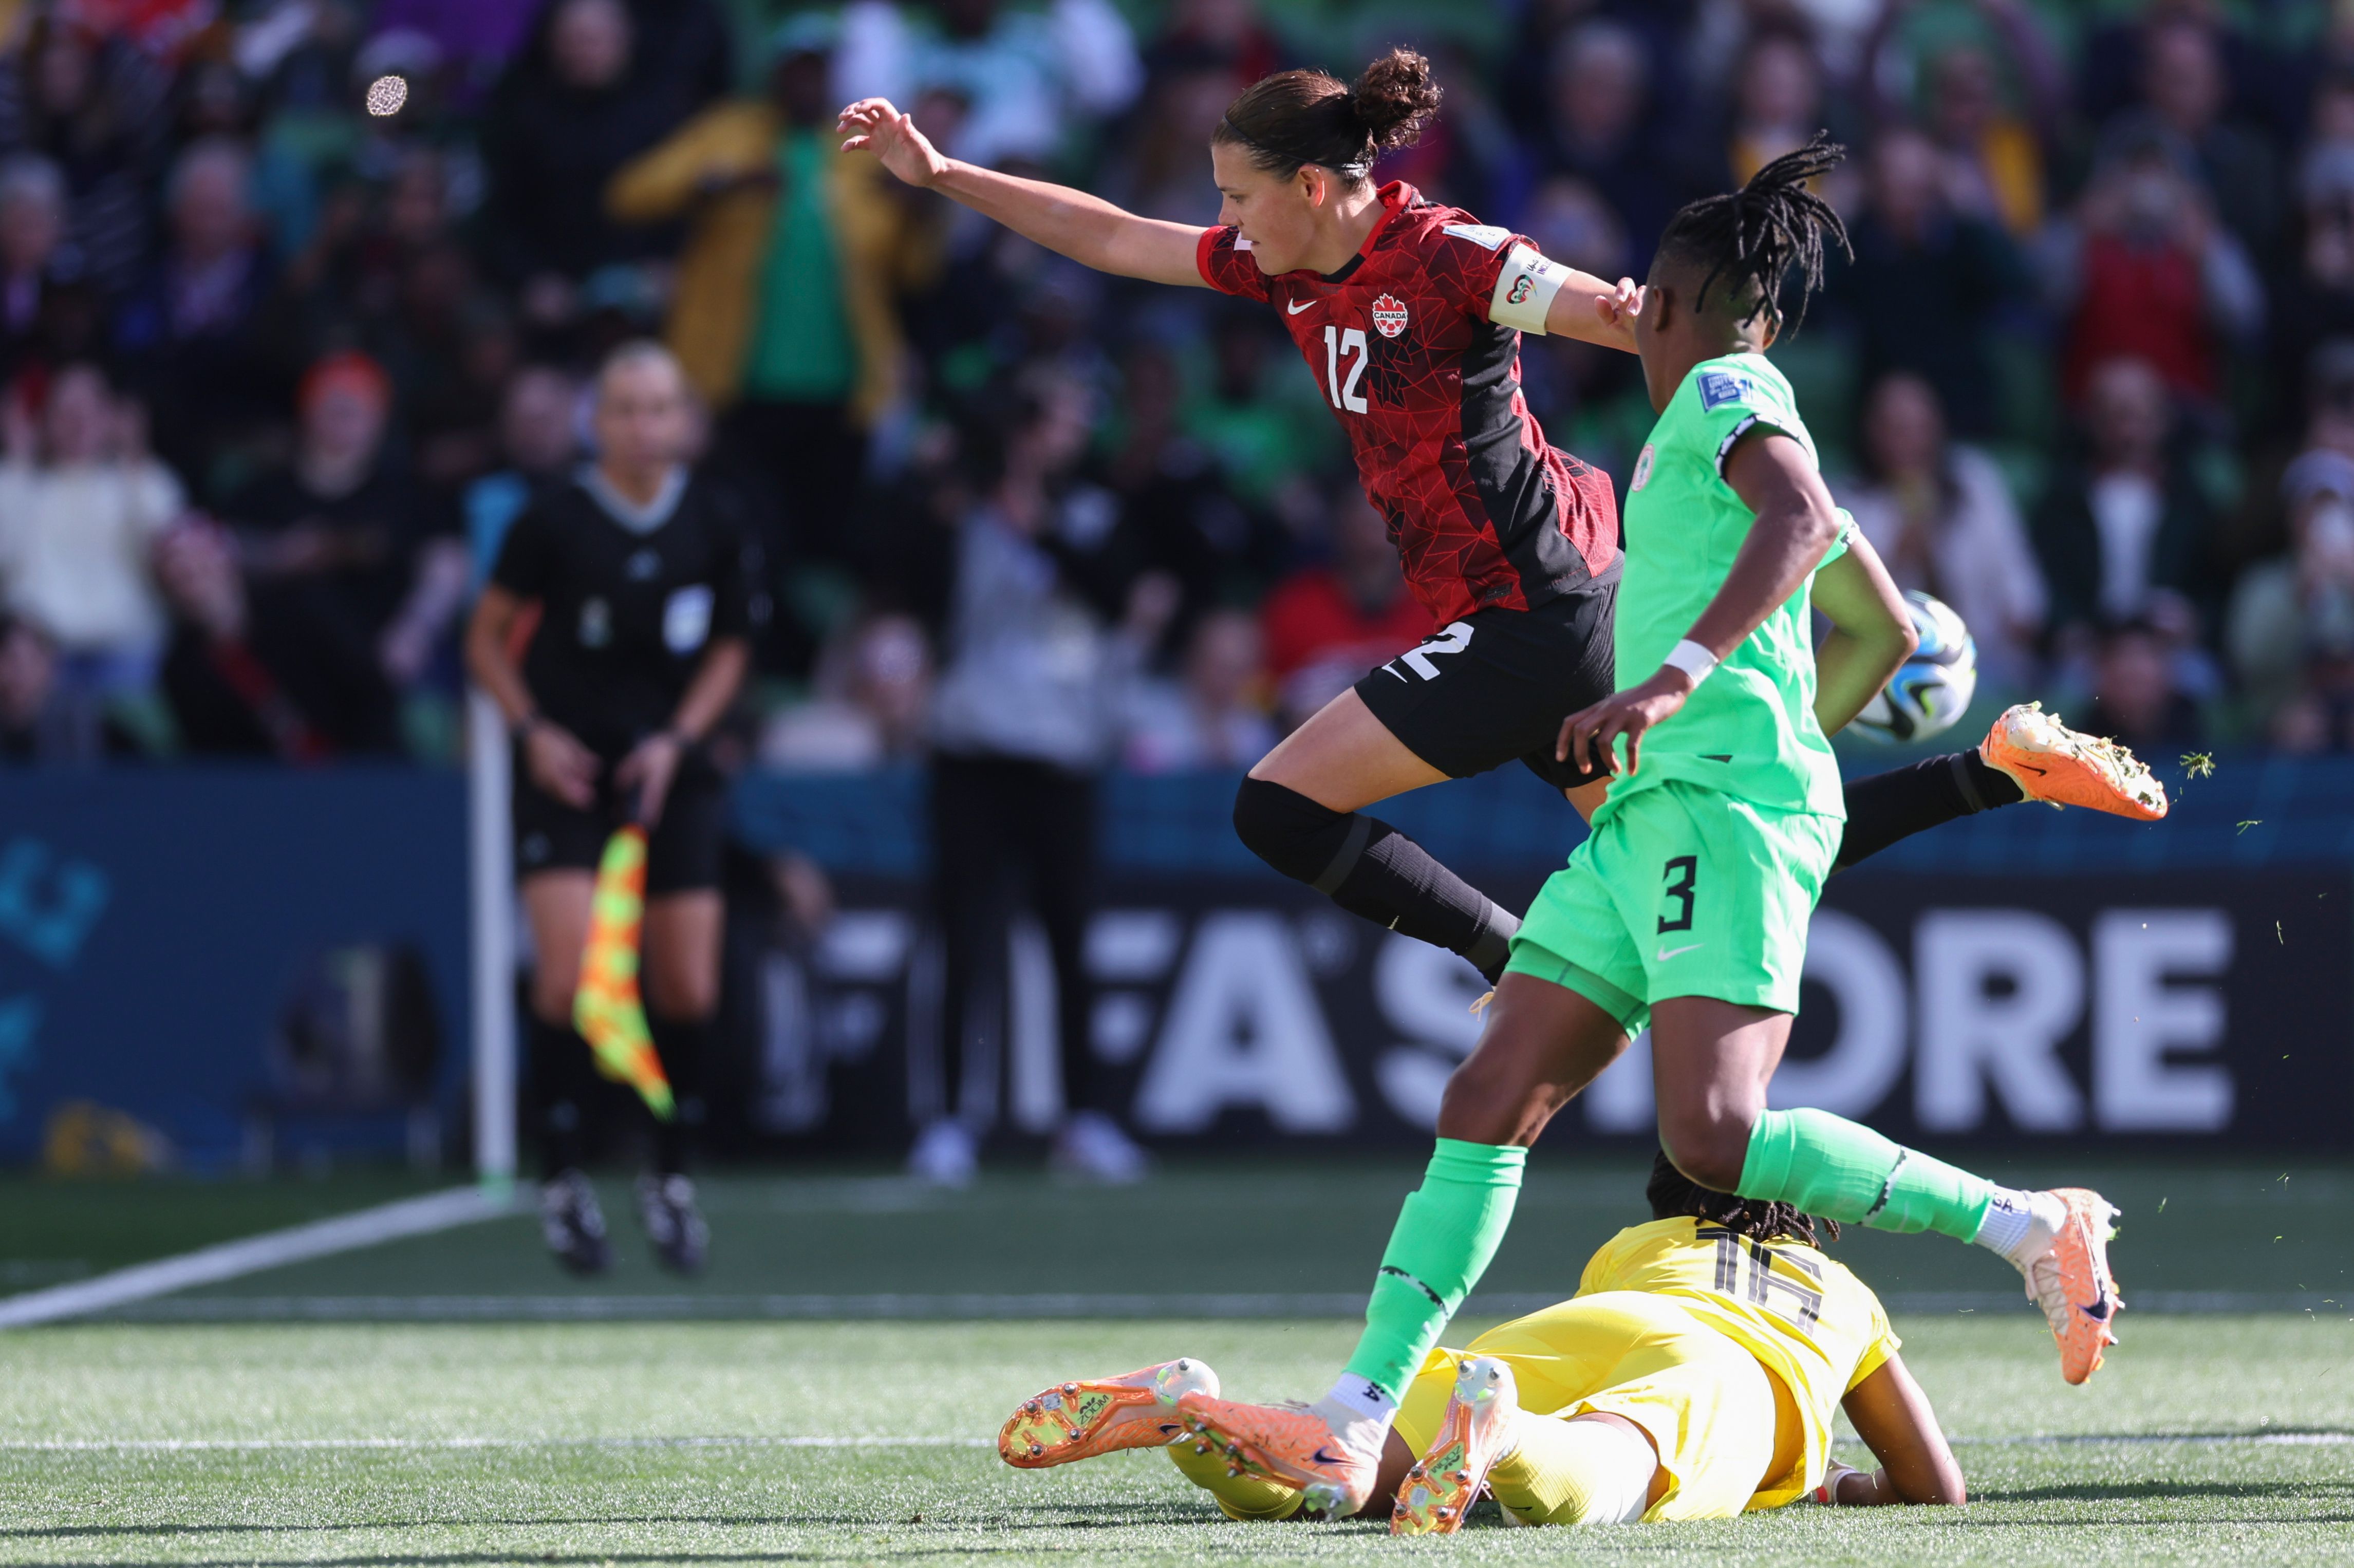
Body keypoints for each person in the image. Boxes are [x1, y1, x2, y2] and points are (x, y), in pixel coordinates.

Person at [1172, 141, 2148, 1517]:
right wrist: (1779, 731)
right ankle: (1354, 1415)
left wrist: (1684, 687)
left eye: (1645, 307)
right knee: (1488, 1095)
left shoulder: (1724, 393)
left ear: (1675, 307)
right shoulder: (1703, 431)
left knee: (1711, 1135)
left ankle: (2028, 1223)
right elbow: (1876, 624)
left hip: (1708, 806)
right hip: (1659, 809)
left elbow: (1800, 519)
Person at [840, 51, 2152, 1002]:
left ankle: (1506, 951)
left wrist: (1635, 313)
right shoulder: (1284, 265)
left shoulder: (1445, 254)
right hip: (1549, 609)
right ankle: (1996, 769)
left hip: (1537, 613)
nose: (1222, 222)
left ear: (1314, 185)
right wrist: (943, 174)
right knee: (1730, 853)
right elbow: (1117, 237)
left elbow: (1583, 306)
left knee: (1277, 807)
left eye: (1237, 196)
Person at [995, 1152, 1963, 1530]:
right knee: (1611, 1475)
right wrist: (1835, 1482)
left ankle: (1196, 1414)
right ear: (1809, 1210)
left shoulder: (1640, 1244)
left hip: (1577, 1328)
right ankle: (1504, 1435)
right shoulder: (1846, 1294)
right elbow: (1935, 1487)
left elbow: (1610, 1342)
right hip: (1726, 1377)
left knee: (1346, 1477)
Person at [464, 341, 760, 1275]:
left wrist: (678, 739)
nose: (642, 426)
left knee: (688, 988)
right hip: (572, 769)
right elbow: (484, 639)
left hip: (669, 768)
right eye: (624, 409)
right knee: (568, 981)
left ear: (685, 421)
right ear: (595, 423)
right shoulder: (553, 518)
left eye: (659, 408)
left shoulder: (715, 517)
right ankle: (560, 1175)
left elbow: (732, 646)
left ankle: (668, 1173)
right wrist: (532, 732)